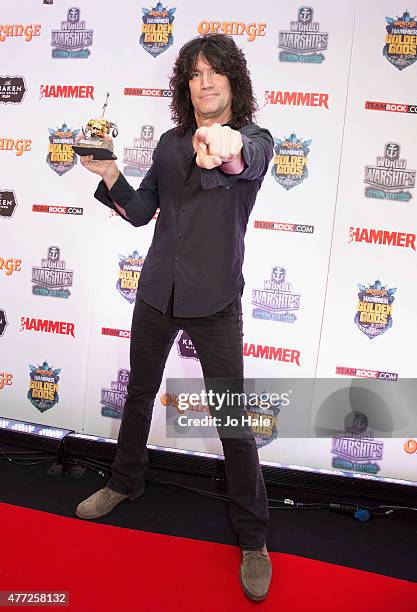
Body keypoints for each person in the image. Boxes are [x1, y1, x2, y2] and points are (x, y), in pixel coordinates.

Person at [75, 33, 274, 601]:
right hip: (157, 293)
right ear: (184, 84)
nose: (204, 81)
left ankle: (254, 538)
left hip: (215, 303)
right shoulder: (167, 144)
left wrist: (226, 147)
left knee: (232, 422)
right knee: (138, 394)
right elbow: (140, 213)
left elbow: (242, 158)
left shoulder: (254, 141)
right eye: (194, 73)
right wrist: (109, 175)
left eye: (215, 72)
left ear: (234, 82)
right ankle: (124, 482)